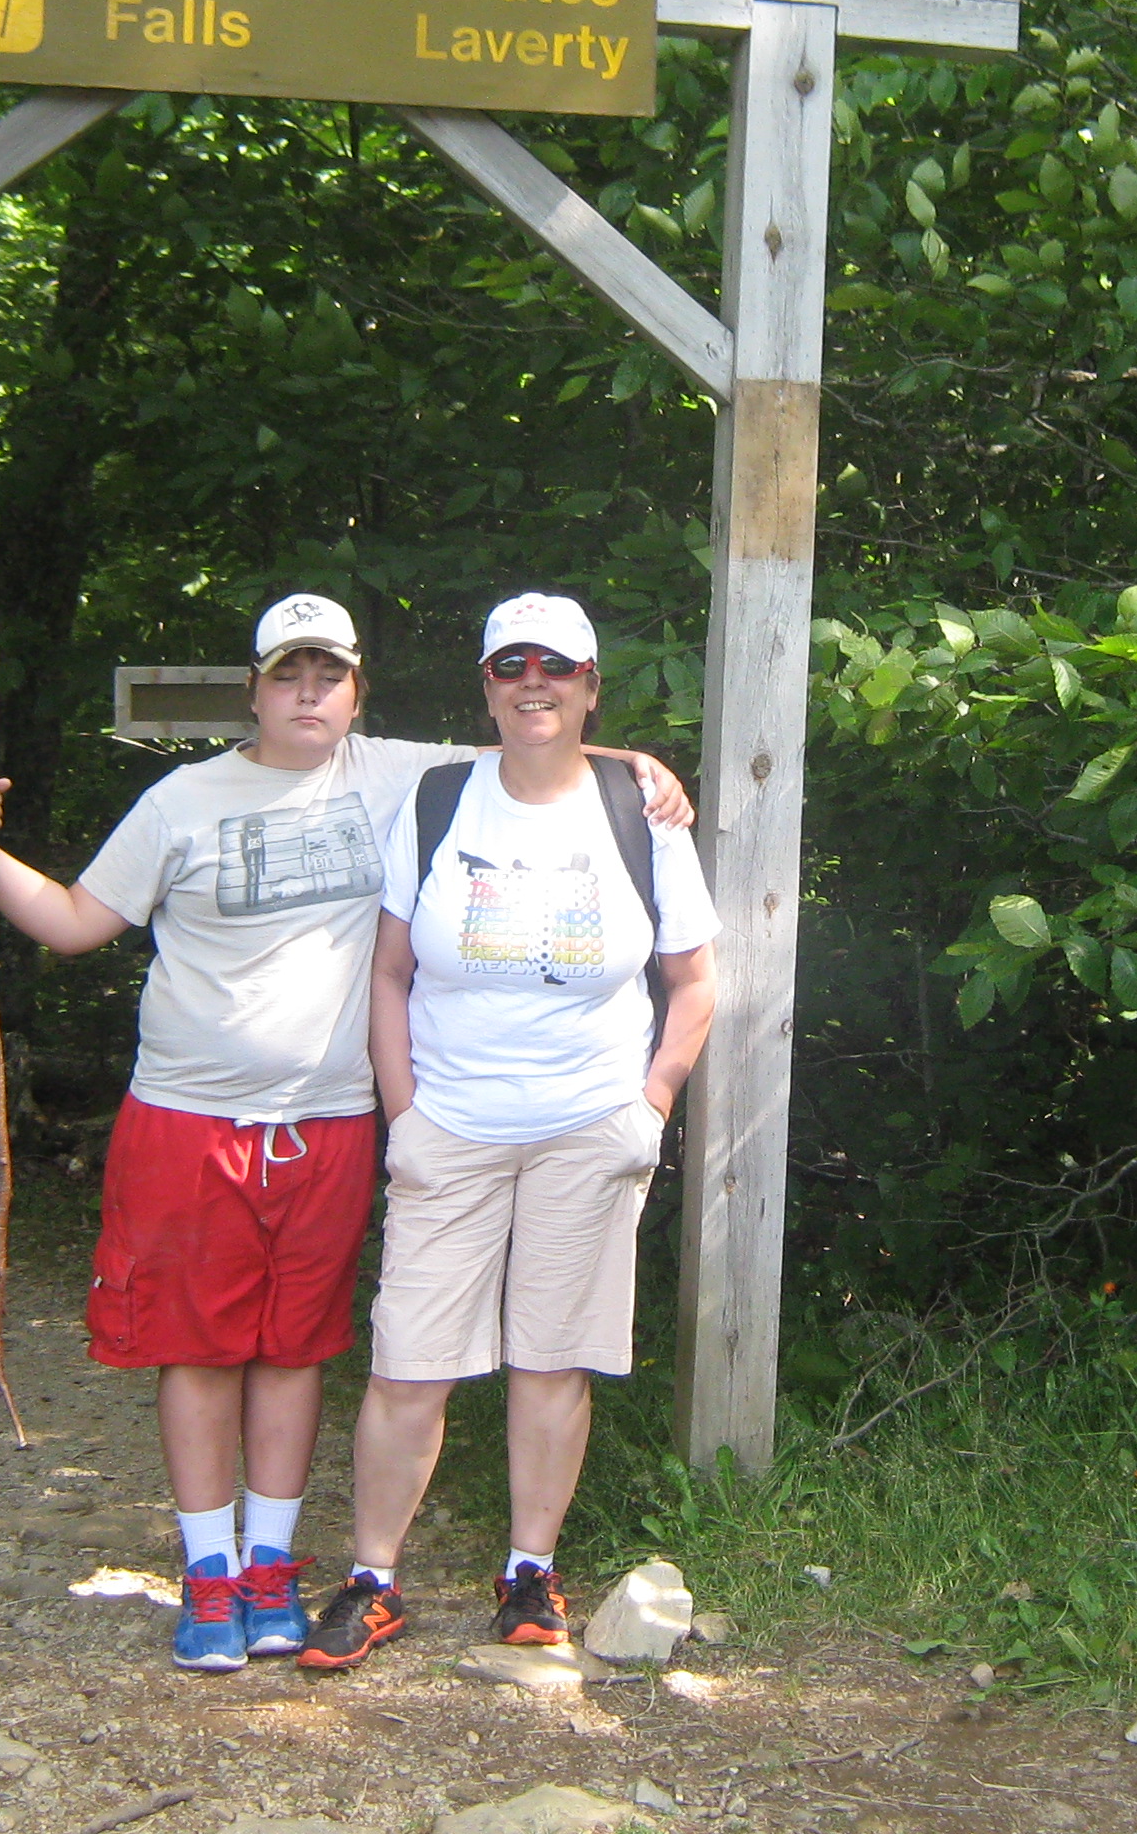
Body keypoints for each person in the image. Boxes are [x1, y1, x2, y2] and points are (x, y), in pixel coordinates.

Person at [0, 592, 689, 1673]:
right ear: (252, 688)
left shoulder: (390, 773)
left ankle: (272, 1569)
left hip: (327, 1127)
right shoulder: (181, 800)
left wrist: (639, 767)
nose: (307, 693)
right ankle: (207, 1574)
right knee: (198, 1351)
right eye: (287, 674)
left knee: (294, 1352)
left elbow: (531, 739)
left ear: (355, 693)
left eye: (327, 675)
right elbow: (70, 923)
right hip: (188, 1117)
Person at [297, 592, 720, 1669]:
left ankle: (531, 1576)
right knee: (408, 1364)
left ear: (589, 685)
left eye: (558, 666)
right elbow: (390, 973)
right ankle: (373, 1580)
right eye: (510, 664)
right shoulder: (437, 798)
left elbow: (695, 981)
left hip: (590, 1126)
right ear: (485, 684)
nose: (534, 681)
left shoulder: (640, 809)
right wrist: (407, 1118)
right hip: (453, 1125)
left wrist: (651, 1105)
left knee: (552, 1362)